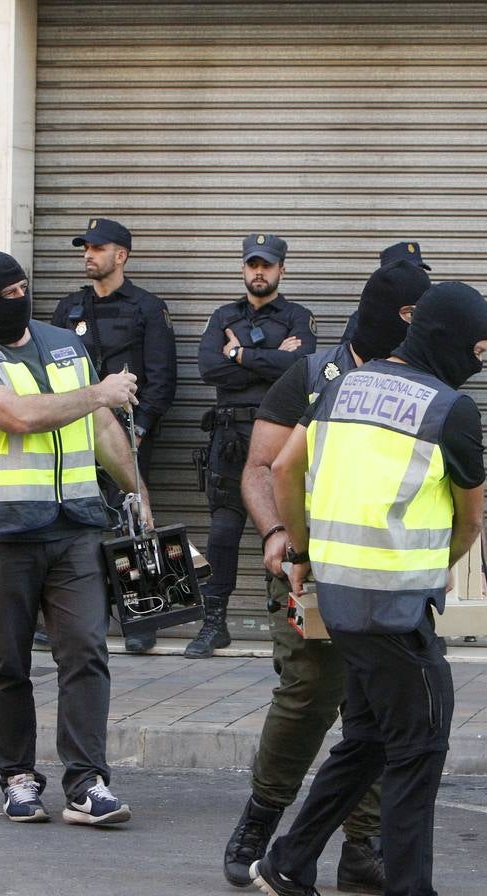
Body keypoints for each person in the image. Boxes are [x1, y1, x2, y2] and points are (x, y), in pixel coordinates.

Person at [252, 282, 487, 896]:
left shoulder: (342, 385)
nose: (482, 361)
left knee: (366, 741)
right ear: (448, 341)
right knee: (419, 748)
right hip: (396, 614)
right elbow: (470, 522)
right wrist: (433, 565)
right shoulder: (451, 411)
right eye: (480, 348)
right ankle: (410, 893)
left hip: (339, 603)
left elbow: (283, 467)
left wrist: (302, 552)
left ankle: (287, 864)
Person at [222, 259, 431, 894]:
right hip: (306, 565)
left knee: (379, 706)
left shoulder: (425, 383)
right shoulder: (313, 376)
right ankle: (260, 821)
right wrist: (279, 535)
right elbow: (260, 468)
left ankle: (360, 847)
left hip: (384, 570)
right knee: (311, 691)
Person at [0, 249, 147, 826]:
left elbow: (102, 427)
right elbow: (19, 416)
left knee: (85, 650)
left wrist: (138, 492)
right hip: (2, 532)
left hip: (76, 524)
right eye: (6, 292)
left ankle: (87, 783)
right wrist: (99, 392)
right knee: (8, 661)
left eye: (23, 287)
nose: (19, 298)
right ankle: (19, 777)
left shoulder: (63, 343)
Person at [49, 216, 177, 653]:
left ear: (120, 255)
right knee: (81, 525)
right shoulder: (69, 309)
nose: (88, 254)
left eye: (97, 248)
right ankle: (84, 619)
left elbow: (162, 379)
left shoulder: (147, 308)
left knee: (133, 521)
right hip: (76, 433)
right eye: (85, 247)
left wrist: (139, 432)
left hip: (128, 433)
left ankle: (143, 618)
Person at [189, 233, 316, 659]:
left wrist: (240, 355)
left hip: (280, 439)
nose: (258, 272)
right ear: (243, 268)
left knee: (284, 528)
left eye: (267, 265)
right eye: (252, 264)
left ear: (282, 269)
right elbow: (209, 368)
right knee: (224, 531)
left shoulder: (299, 316)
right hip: (230, 438)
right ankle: (214, 622)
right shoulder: (223, 314)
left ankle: (286, 621)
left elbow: (302, 367)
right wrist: (270, 358)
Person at [340, 241, 431, 344]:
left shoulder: (431, 315)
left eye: (418, 272)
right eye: (405, 273)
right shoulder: (363, 319)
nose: (415, 278)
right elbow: (347, 356)